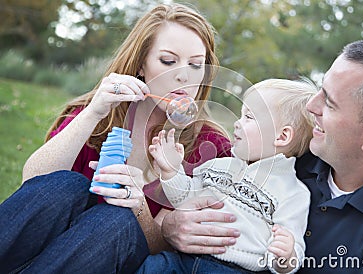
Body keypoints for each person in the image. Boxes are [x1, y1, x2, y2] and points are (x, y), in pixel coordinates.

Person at [0, 3, 232, 273]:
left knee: (118, 219)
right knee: (67, 184)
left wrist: (138, 205)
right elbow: (33, 186)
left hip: (110, 249)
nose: (183, 76)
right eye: (168, 61)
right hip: (43, 243)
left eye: (196, 65)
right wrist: (92, 113)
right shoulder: (98, 114)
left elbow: (162, 244)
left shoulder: (210, 146)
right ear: (141, 65)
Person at [161, 40, 363, 273]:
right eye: (320, 90)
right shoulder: (289, 152)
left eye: (330, 102)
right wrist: (171, 226)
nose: (311, 107)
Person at [138, 78, 317, 273]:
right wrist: (171, 170)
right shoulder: (217, 166)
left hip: (233, 269)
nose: (237, 123)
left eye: (249, 117)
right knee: (152, 267)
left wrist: (286, 256)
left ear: (281, 137)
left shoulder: (292, 192)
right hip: (182, 259)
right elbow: (184, 200)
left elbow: (294, 247)